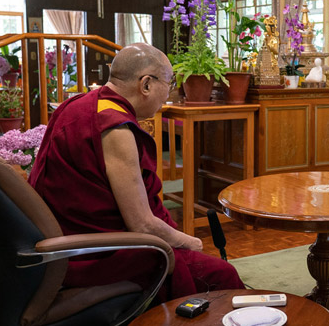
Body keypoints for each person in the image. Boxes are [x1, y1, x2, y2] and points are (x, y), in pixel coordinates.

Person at [29, 43, 245, 300]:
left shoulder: (75, 105)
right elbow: (142, 224)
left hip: (60, 243)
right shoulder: (115, 127)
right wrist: (191, 242)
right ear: (146, 85)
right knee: (222, 275)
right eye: (169, 82)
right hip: (96, 254)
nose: (169, 93)